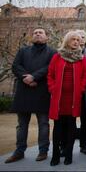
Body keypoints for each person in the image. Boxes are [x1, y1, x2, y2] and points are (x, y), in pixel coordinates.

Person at [5, 28, 56, 164]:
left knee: (43, 124)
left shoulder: (52, 52)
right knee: (21, 125)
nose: (37, 34)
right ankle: (19, 151)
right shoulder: (23, 51)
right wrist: (25, 77)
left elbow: (50, 68)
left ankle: (43, 151)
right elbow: (16, 66)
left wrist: (34, 77)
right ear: (32, 37)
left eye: (41, 32)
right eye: (35, 33)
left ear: (46, 37)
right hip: (24, 91)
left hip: (42, 92)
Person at [47, 31, 86, 166]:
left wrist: (81, 89)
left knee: (71, 126)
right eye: (73, 39)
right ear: (67, 41)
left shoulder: (82, 58)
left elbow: (84, 76)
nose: (76, 42)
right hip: (59, 97)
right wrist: (53, 88)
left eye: (78, 40)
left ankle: (69, 155)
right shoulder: (57, 56)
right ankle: (55, 155)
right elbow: (50, 75)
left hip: (73, 97)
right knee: (58, 126)